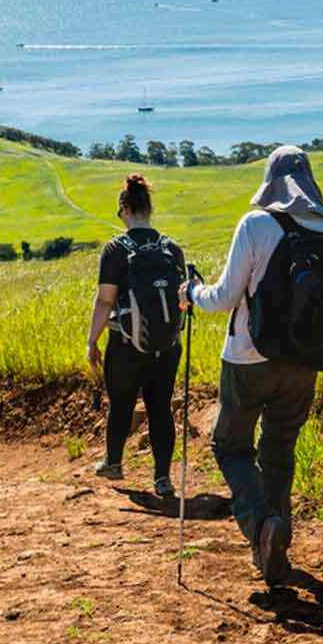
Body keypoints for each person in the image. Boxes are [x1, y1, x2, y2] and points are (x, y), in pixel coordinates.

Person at [179, 146, 323, 585]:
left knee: (230, 446)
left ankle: (262, 525)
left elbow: (224, 298)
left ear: (269, 181)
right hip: (305, 364)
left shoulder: (256, 224)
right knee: (279, 447)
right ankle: (273, 547)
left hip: (248, 358)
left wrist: (192, 292)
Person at [87, 174, 186, 497]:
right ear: (149, 208)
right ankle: (162, 478)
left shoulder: (116, 249)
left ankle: (113, 463)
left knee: (122, 403)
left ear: (124, 209)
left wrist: (92, 341)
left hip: (126, 343)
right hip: (168, 345)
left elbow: (105, 300)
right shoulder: (172, 248)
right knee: (160, 407)